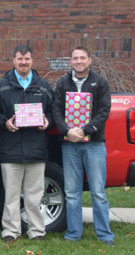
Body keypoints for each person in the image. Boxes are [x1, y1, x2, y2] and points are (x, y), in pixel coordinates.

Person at [52, 47, 115, 246]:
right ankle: (73, 234)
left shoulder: (100, 82)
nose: (79, 61)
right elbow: (56, 110)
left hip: (94, 144)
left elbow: (104, 111)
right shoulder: (62, 83)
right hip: (70, 144)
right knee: (71, 192)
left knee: (98, 192)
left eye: (82, 58)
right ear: (70, 61)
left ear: (89, 60)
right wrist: (66, 131)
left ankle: (105, 235)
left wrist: (85, 130)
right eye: (75, 58)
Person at [0, 45, 53, 242]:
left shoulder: (43, 86)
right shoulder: (1, 86)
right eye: (20, 59)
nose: (23, 62)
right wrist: (5, 123)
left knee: (34, 196)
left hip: (36, 149)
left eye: (27, 59)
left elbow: (53, 112)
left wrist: (47, 121)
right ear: (13, 61)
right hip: (10, 150)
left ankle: (36, 231)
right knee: (11, 195)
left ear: (32, 61)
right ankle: (10, 231)